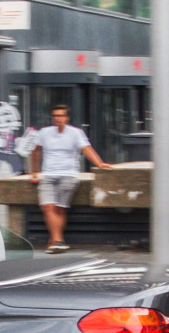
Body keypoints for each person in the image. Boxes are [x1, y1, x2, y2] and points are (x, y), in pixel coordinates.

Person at [29, 105, 111, 254]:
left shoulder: (75, 133)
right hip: (48, 175)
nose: (58, 119)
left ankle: (54, 241)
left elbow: (86, 149)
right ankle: (58, 240)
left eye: (61, 116)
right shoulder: (45, 133)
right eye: (55, 116)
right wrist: (34, 171)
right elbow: (35, 151)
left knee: (60, 209)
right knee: (47, 207)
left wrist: (99, 163)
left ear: (66, 118)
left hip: (68, 174)